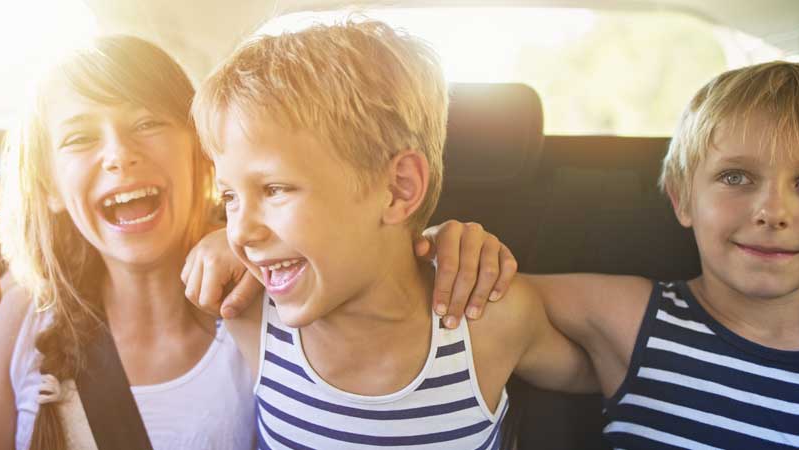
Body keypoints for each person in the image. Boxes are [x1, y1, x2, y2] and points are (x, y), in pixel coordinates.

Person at [0, 35, 519, 450]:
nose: (119, 156)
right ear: (51, 186)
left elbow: (374, 283)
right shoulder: (23, 314)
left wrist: (434, 246)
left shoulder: (274, 309)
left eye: (146, 124)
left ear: (206, 159)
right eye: (81, 139)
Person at [192, 20, 596, 449]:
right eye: (230, 197)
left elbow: (604, 372)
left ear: (398, 189)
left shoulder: (490, 325)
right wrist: (211, 239)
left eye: (275, 189)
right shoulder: (249, 313)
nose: (241, 230)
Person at [527, 61, 799, 449]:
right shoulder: (633, 319)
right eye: (735, 176)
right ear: (682, 200)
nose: (773, 212)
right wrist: (473, 250)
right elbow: (487, 294)